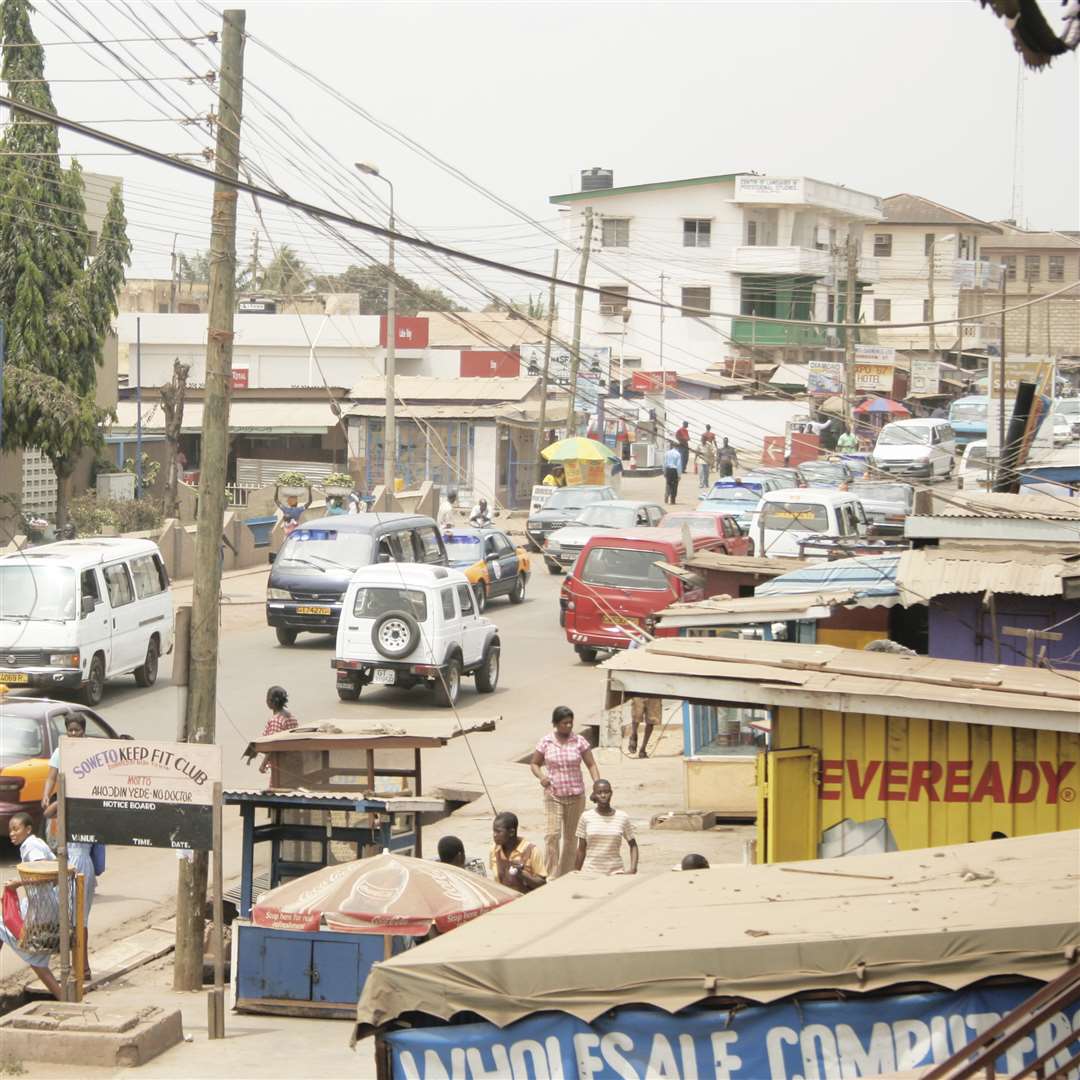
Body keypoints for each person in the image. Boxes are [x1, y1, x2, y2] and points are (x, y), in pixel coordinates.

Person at [529, 705, 600, 879]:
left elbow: (591, 764)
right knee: (552, 834)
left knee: (571, 838)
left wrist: (598, 784)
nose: (568, 726)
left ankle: (566, 874)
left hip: (576, 795)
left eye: (570, 723)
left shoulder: (579, 741)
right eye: (564, 723)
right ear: (555, 723)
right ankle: (550, 874)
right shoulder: (546, 742)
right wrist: (541, 777)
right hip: (553, 795)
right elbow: (534, 764)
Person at [1, 813, 64, 999]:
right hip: (44, 905)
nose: (12, 833)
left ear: (28, 829)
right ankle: (64, 997)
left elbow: (40, 872)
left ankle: (64, 997)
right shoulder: (37, 843)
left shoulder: (31, 846)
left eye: (16, 829)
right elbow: (52, 873)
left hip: (42, 911)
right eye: (10, 829)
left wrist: (18, 884)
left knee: (36, 960)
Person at [574, 780, 638, 876]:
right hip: (590, 872)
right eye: (599, 793)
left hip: (616, 873)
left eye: (606, 792)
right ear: (594, 795)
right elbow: (581, 849)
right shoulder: (586, 817)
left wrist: (633, 869)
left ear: (611, 793)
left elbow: (633, 845)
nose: (603, 795)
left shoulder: (622, 817)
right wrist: (576, 872)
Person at [489, 812, 546, 894]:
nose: (494, 835)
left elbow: (543, 884)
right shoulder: (494, 850)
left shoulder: (532, 851)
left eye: (498, 832)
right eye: (494, 831)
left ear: (511, 832)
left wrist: (522, 874)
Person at [259, 686, 297, 773]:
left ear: (271, 702)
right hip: (291, 761)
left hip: (280, 762)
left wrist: (263, 764)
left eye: (267, 698)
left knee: (275, 785)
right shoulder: (291, 717)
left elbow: (273, 745)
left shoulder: (276, 720)